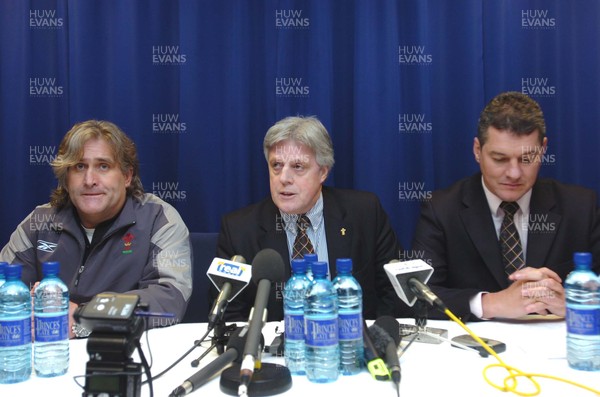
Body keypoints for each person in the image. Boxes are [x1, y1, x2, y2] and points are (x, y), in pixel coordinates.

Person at [411, 91, 600, 321]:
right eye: (500, 159)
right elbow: (416, 299)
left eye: (527, 159)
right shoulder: (441, 210)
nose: (514, 173)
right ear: (477, 150)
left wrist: (574, 304)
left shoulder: (581, 207)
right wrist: (491, 303)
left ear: (543, 149)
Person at [0, 120, 192, 337]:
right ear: (66, 177)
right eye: (79, 167)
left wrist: (83, 318)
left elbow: (169, 299)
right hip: (49, 351)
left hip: (121, 351)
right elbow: (4, 285)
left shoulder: (159, 219)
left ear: (127, 176)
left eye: (103, 166)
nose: (89, 180)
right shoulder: (40, 221)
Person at [214, 115, 405, 322]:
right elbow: (228, 313)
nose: (284, 178)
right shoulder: (239, 230)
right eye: (276, 165)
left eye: (298, 167)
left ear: (323, 172)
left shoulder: (365, 213)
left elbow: (393, 294)